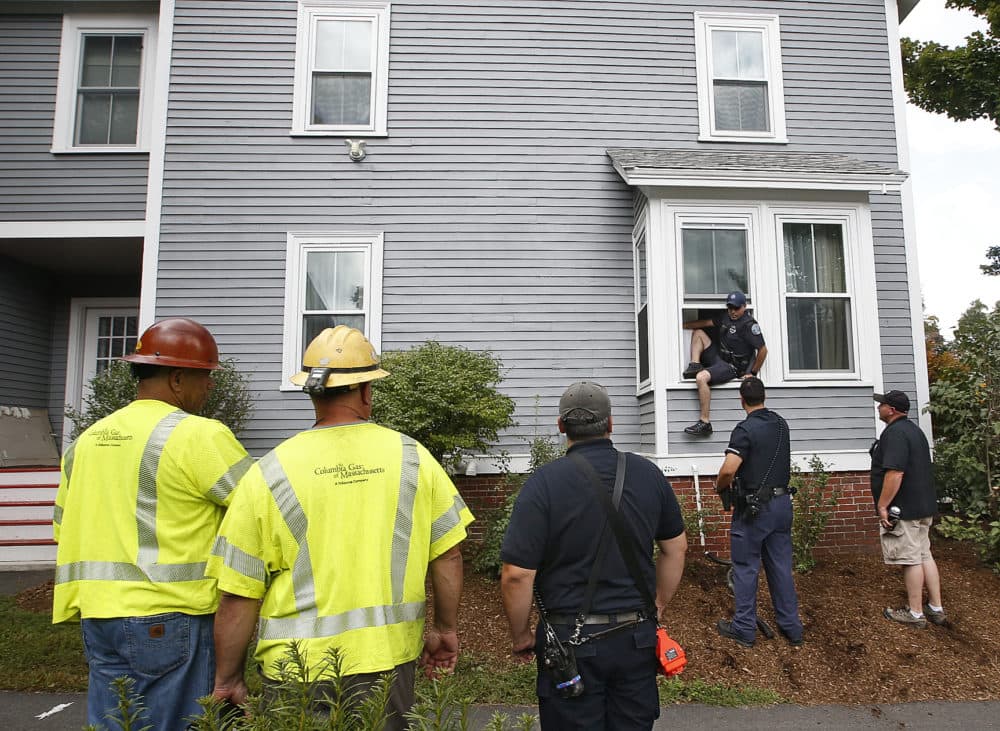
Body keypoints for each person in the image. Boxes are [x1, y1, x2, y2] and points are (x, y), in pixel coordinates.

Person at [206, 325, 473, 729]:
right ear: (367, 390)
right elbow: (448, 553)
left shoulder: (268, 472)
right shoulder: (413, 458)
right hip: (386, 661)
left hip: (295, 670)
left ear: (312, 393)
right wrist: (445, 630)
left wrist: (228, 678)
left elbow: (237, 594)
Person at [52, 317, 253, 730]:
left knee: (118, 722)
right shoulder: (198, 436)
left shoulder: (87, 440)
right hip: (170, 617)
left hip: (99, 617)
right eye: (206, 377)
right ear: (177, 379)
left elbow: (62, 525)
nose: (210, 386)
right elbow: (260, 513)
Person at [500, 381, 687, 730]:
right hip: (636, 639)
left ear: (561, 427)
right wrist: (658, 603)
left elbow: (516, 574)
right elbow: (675, 548)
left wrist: (521, 635)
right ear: (610, 424)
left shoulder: (544, 483)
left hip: (571, 644)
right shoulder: (648, 475)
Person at [714, 377, 803, 648]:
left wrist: (720, 486)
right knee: (780, 567)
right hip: (782, 504)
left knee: (745, 567)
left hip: (754, 510)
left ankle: (743, 628)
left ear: (742, 399)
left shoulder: (745, 429)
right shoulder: (780, 424)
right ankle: (792, 627)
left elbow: (730, 468)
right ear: (764, 396)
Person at [870, 390, 944, 628]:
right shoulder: (914, 431)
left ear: (891, 410)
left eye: (882, 405)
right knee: (924, 554)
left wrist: (883, 505)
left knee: (910, 559)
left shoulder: (895, 434)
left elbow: (895, 472)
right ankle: (936, 608)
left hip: (905, 509)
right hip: (924, 505)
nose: (878, 407)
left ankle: (914, 613)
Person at [682, 290, 767, 436]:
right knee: (698, 332)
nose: (733, 311)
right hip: (719, 357)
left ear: (744, 307)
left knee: (701, 378)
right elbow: (705, 323)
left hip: (732, 366)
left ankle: (705, 423)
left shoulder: (749, 325)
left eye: (736, 308)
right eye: (730, 308)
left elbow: (763, 350)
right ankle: (695, 364)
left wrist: (752, 373)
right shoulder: (725, 318)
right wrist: (682, 324)